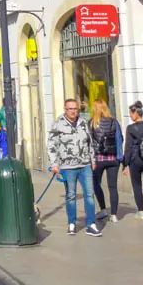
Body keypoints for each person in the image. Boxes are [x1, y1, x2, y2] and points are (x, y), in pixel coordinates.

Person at [48, 98, 102, 236]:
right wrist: (54, 163)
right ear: (65, 109)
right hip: (67, 166)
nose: (73, 111)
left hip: (85, 165)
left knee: (89, 194)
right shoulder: (58, 124)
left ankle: (91, 224)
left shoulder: (83, 123)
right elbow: (51, 145)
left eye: (75, 109)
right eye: (70, 109)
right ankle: (72, 223)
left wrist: (93, 159)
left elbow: (90, 142)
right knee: (71, 195)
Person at [90, 99, 125, 223]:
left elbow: (89, 142)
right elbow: (120, 139)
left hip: (98, 159)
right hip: (113, 159)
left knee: (96, 184)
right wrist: (121, 158)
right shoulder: (114, 122)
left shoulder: (92, 123)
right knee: (113, 187)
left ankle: (104, 209)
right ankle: (114, 215)